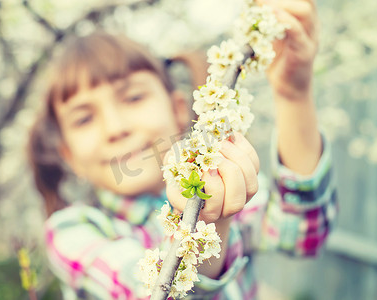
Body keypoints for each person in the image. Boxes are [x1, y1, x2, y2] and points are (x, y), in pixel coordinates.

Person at [28, 0, 337, 298]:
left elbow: (303, 233)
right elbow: (145, 292)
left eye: (133, 98)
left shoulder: (228, 185)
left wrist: (293, 95)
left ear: (178, 110)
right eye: (84, 118)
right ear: (70, 157)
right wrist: (204, 225)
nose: (115, 128)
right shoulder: (72, 231)